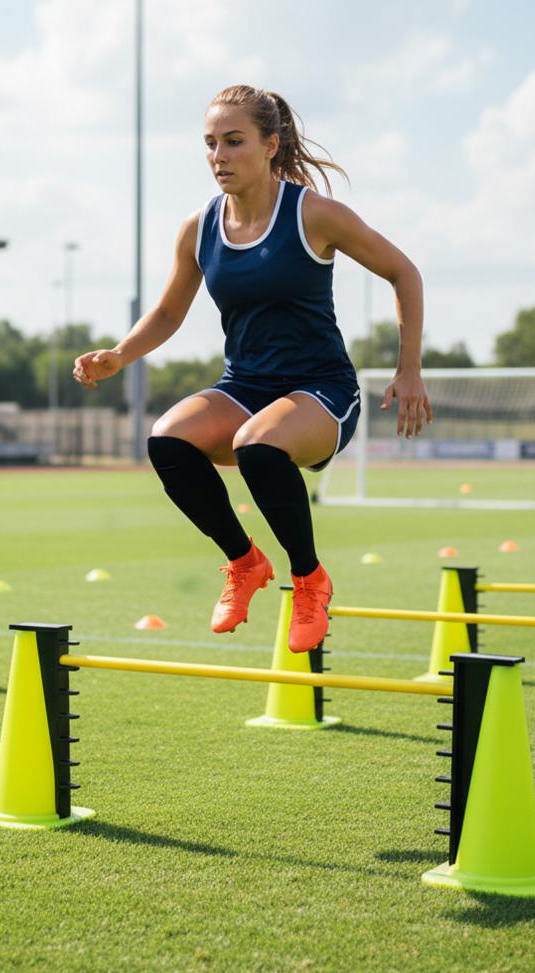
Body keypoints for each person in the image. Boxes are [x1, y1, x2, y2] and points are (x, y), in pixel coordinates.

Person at [74, 84, 431, 653]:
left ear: (270, 144)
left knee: (257, 444)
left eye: (234, 142)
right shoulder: (199, 227)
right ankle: (245, 563)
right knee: (166, 441)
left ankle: (310, 580)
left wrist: (408, 368)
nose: (219, 156)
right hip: (243, 387)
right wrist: (120, 354)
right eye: (211, 143)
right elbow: (169, 312)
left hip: (321, 391)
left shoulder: (314, 214)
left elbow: (404, 273)